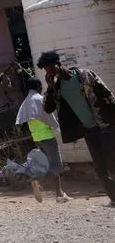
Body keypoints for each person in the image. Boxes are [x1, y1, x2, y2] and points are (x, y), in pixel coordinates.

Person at [39, 51, 115, 206]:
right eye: (46, 70)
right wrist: (50, 87)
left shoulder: (84, 75)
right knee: (100, 165)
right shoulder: (57, 88)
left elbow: (108, 96)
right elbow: (48, 108)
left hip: (105, 126)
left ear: (58, 64)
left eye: (50, 68)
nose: (49, 72)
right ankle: (113, 198)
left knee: (112, 162)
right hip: (89, 131)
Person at [16, 76, 69, 203]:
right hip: (47, 137)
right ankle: (39, 184)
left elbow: (20, 122)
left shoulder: (26, 102)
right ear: (39, 87)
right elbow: (49, 117)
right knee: (57, 165)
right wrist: (58, 128)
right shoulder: (39, 99)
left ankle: (59, 194)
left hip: (38, 139)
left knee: (52, 165)